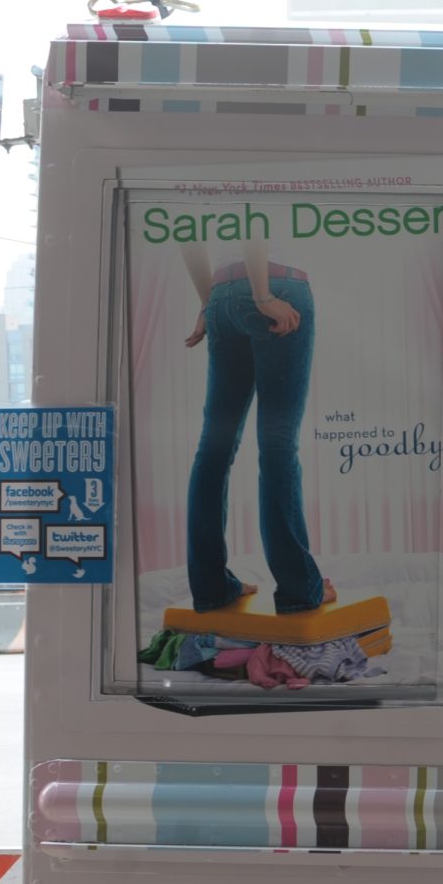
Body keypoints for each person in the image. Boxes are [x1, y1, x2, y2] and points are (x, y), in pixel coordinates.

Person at [180, 238, 331, 613]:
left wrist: (209, 302)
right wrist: (262, 295)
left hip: (220, 297)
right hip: (277, 286)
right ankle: (299, 589)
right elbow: (253, 221)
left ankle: (212, 588)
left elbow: (188, 236)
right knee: (278, 445)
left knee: (213, 449)